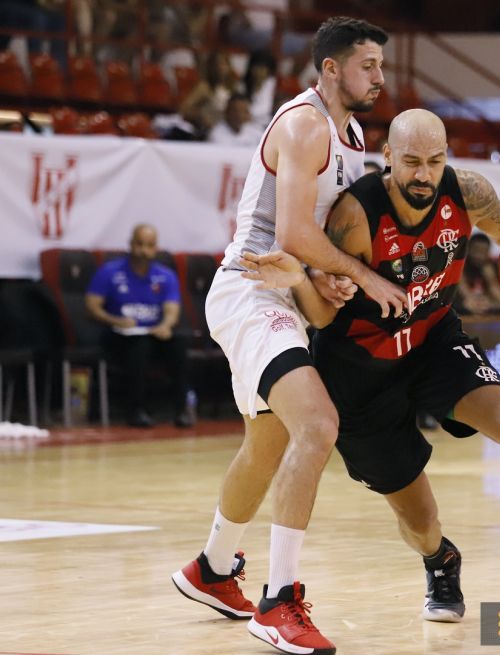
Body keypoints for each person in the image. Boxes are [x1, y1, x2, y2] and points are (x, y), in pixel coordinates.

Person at [242, 109, 500, 624]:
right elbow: (325, 317)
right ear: (388, 156)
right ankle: (440, 560)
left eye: (435, 161)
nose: (424, 174)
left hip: (432, 339)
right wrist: (301, 283)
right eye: (412, 161)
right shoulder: (357, 218)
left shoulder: (466, 191)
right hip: (358, 370)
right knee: (420, 521)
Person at [171, 17, 406, 655]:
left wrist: (322, 279)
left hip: (288, 290)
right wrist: (358, 274)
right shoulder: (305, 124)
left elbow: (310, 247)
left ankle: (212, 569)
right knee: (318, 426)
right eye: (368, 65)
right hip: (251, 289)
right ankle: (279, 601)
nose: (379, 78)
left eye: (381, 66)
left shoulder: (352, 135)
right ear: (330, 68)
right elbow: (294, 236)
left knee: (268, 443)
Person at [85, 224, 192, 428]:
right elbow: (91, 307)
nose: (144, 251)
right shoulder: (109, 272)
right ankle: (136, 410)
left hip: (152, 333)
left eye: (149, 246)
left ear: (156, 248)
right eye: (140, 244)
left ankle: (182, 410)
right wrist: (115, 320)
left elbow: (172, 311)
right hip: (119, 335)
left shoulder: (166, 275)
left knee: (178, 344)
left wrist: (165, 326)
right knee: (139, 346)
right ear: (131, 244)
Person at [456, 232, 500, 315]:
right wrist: (475, 303)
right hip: (462, 308)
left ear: (488, 252)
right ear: (468, 250)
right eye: (476, 250)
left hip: (488, 307)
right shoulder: (460, 266)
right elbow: (466, 294)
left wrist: (490, 278)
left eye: (483, 252)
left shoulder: (490, 267)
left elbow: (499, 297)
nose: (479, 255)